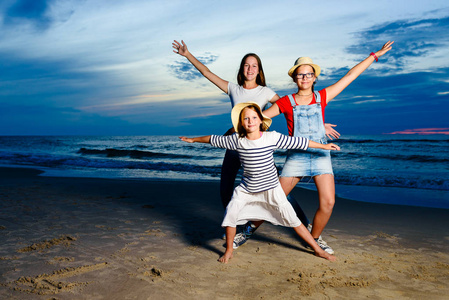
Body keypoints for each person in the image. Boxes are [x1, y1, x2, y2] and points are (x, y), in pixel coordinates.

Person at [172, 40, 339, 247]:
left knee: (275, 191)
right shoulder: (233, 88)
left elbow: (295, 108)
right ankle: (234, 225)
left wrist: (319, 124)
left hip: (258, 146)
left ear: (259, 70)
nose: (250, 69)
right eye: (246, 65)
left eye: (254, 66)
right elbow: (207, 73)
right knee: (227, 189)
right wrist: (188, 55)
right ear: (242, 69)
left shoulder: (266, 92)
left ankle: (303, 224)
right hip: (235, 142)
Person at [263, 41, 395, 255]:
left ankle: (313, 239)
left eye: (308, 74)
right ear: (294, 78)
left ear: (314, 77)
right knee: (273, 198)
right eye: (300, 75)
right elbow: (259, 118)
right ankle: (247, 230)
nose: (304, 78)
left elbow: (350, 76)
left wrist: (374, 55)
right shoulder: (286, 102)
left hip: (320, 156)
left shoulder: (322, 97)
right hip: (296, 157)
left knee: (329, 202)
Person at [180, 102, 339, 263]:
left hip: (272, 189)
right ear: (241, 123)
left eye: (254, 117)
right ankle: (228, 251)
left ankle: (318, 250)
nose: (250, 121)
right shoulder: (236, 140)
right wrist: (193, 140)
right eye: (246, 118)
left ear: (261, 120)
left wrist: (324, 146)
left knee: (293, 220)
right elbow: (213, 139)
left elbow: (300, 142)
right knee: (231, 214)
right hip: (247, 190)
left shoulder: (271, 137)